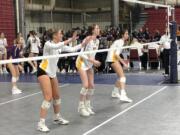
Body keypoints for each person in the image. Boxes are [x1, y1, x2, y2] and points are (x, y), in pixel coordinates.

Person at [37, 29, 87, 132]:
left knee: (57, 97)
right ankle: (40, 123)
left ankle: (56, 117)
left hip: (52, 73)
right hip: (43, 71)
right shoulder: (48, 44)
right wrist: (70, 39)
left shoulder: (60, 45)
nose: (62, 35)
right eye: (60, 33)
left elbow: (72, 49)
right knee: (48, 97)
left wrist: (83, 44)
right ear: (54, 36)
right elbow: (56, 46)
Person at [76, 24, 101, 117]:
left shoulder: (97, 41)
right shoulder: (87, 39)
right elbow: (82, 53)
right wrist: (93, 61)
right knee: (85, 85)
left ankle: (87, 105)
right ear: (92, 30)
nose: (99, 29)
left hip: (89, 64)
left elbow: (92, 54)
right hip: (81, 62)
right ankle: (81, 107)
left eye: (98, 28)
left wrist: (92, 62)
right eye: (97, 28)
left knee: (91, 86)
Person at [106, 29, 132, 103]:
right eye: (126, 34)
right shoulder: (120, 42)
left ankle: (115, 92)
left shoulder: (120, 41)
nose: (127, 35)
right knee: (122, 77)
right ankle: (123, 95)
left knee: (120, 76)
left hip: (111, 59)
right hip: (112, 59)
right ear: (122, 35)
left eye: (127, 34)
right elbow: (116, 55)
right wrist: (124, 63)